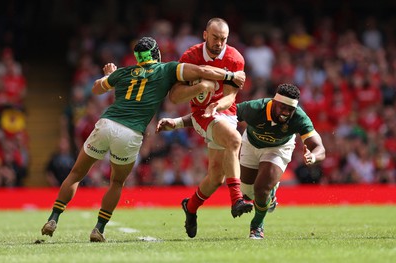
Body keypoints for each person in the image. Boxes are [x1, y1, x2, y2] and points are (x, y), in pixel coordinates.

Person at [40, 36, 246, 242]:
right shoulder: (166, 69)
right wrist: (230, 75)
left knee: (76, 173)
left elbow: (96, 88)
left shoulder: (124, 71)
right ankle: (99, 229)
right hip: (130, 133)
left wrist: (109, 77)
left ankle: (54, 218)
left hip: (106, 124)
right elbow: (202, 71)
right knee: (117, 181)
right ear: (156, 53)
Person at [156, 83, 326, 239]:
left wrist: (314, 156)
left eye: (290, 109)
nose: (286, 113)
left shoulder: (299, 117)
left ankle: (257, 225)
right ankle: (269, 196)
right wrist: (177, 123)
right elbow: (213, 116)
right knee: (247, 194)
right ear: (274, 102)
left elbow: (319, 148)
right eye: (283, 107)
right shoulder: (254, 108)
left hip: (279, 148)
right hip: (251, 145)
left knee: (261, 188)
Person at [166, 17, 253, 238]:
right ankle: (237, 200)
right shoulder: (190, 56)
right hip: (201, 115)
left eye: (223, 39)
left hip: (224, 112)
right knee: (235, 140)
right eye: (215, 38)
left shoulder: (235, 58)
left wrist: (216, 105)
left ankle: (191, 207)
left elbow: (231, 96)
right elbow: (175, 97)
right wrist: (201, 88)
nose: (219, 43)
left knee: (216, 178)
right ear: (205, 35)